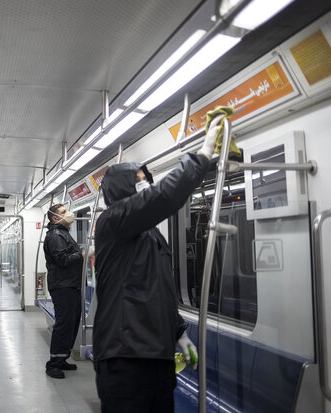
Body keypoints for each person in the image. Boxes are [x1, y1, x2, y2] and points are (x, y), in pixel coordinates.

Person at [92, 116, 224, 412]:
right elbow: (163, 197)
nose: (146, 185)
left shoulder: (151, 235)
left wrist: (179, 332)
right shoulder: (112, 221)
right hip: (124, 356)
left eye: (146, 180)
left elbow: (158, 288)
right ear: (120, 191)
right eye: (138, 182)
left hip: (157, 354)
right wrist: (203, 154)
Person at [43, 204, 84, 379]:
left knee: (72, 323)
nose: (68, 214)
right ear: (54, 218)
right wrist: (82, 255)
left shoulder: (64, 233)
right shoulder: (55, 235)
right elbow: (62, 259)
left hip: (70, 283)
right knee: (64, 324)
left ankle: (62, 358)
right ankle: (53, 364)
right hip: (62, 285)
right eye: (63, 212)